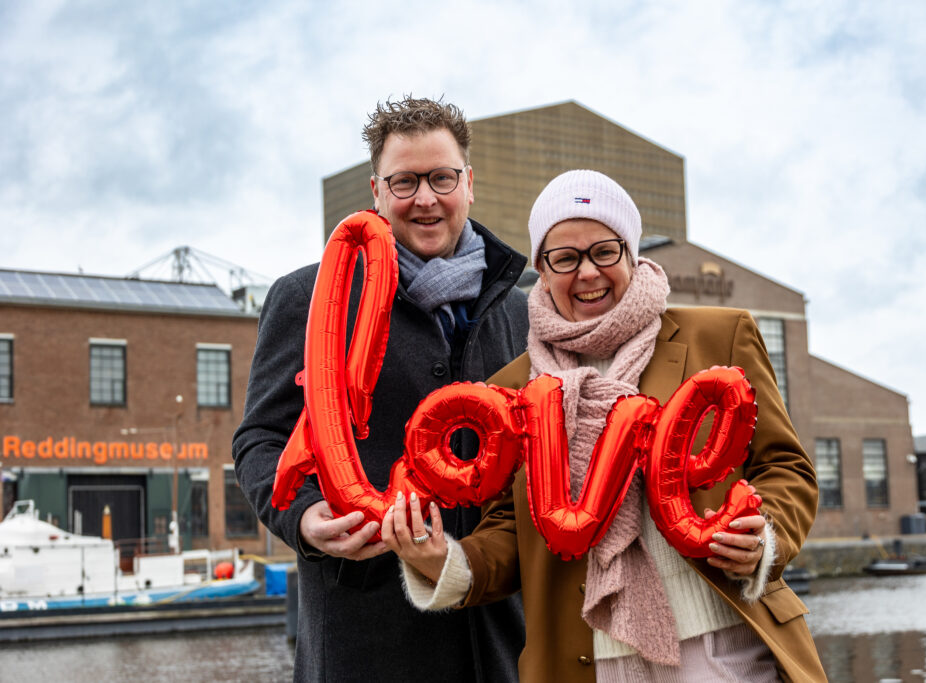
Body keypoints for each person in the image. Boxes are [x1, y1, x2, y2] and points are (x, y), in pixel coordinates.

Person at [383, 170, 827, 682]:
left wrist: (763, 535)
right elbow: (513, 529)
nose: (588, 273)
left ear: (631, 252)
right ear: (542, 271)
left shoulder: (720, 336)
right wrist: (444, 561)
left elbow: (785, 466)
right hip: (585, 663)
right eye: (565, 259)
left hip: (722, 644)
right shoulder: (513, 385)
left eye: (604, 251)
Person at [232, 96, 528, 682]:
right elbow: (262, 438)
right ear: (376, 190)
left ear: (469, 183)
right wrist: (305, 518)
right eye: (404, 181)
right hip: (367, 630)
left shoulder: (524, 309)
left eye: (441, 177)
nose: (425, 198)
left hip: (499, 635)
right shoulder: (308, 297)